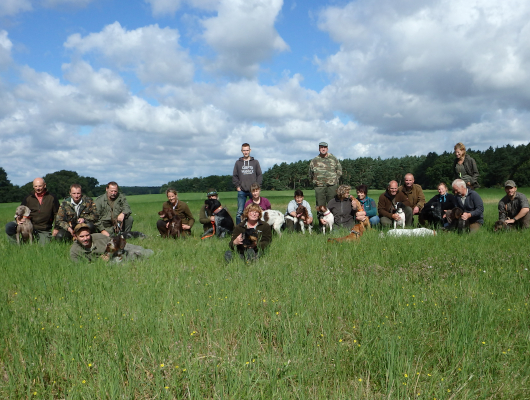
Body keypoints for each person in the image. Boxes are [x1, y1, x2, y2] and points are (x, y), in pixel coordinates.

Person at [5, 177, 59, 244]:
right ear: (33, 186)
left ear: (45, 185)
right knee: (10, 226)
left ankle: (37, 238)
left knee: (44, 246)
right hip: (27, 224)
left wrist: (56, 228)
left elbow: (57, 214)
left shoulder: (52, 198)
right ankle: (15, 246)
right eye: (35, 186)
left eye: (40, 186)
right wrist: (17, 218)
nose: (37, 188)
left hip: (43, 228)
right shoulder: (28, 198)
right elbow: (20, 208)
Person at [70, 223, 153, 262]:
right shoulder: (74, 251)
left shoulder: (99, 237)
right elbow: (82, 267)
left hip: (115, 252)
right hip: (109, 262)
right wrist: (100, 261)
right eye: (81, 236)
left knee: (142, 251)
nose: (85, 239)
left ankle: (153, 254)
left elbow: (115, 244)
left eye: (87, 235)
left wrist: (109, 254)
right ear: (76, 237)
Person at [232, 143, 263, 225]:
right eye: (244, 150)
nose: (246, 152)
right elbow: (235, 175)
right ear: (242, 151)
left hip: (253, 191)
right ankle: (238, 230)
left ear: (250, 150)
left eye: (247, 150)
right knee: (240, 212)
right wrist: (237, 186)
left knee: (256, 210)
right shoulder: (238, 163)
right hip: (242, 190)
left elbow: (259, 174)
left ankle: (256, 227)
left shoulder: (255, 162)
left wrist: (257, 187)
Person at [309, 142, 342, 207]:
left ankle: (334, 217)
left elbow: (339, 170)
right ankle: (321, 217)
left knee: (333, 204)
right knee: (320, 206)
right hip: (319, 187)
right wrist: (316, 182)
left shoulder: (333, 159)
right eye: (321, 147)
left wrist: (334, 179)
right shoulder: (314, 160)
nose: (323, 149)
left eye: (324, 147)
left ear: (327, 149)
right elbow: (311, 174)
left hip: (332, 186)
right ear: (319, 149)